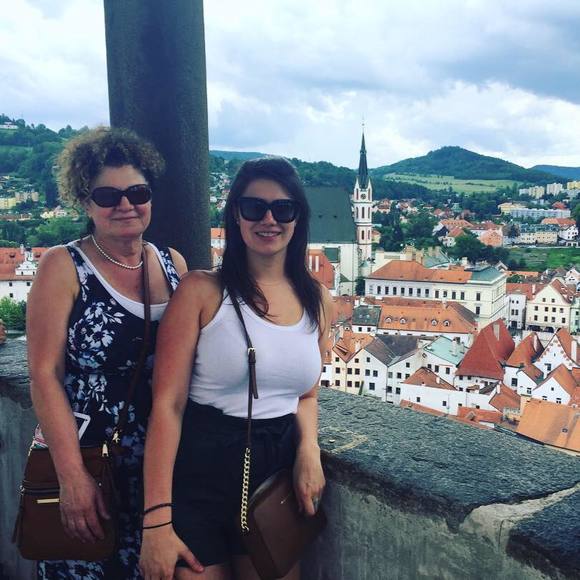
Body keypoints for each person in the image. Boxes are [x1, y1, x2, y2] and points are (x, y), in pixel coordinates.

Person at [139, 157, 333, 580]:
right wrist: (156, 520)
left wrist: (309, 450)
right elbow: (167, 406)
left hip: (274, 476)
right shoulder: (201, 291)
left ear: (298, 218)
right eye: (254, 207)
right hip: (200, 473)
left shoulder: (317, 300)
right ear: (236, 216)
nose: (269, 219)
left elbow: (307, 395)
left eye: (283, 209)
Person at [26, 127, 187, 579]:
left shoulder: (173, 264)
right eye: (107, 195)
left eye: (138, 192)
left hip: (161, 468)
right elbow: (43, 375)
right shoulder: (63, 266)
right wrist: (71, 476)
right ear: (85, 202)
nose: (125, 205)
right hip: (92, 463)